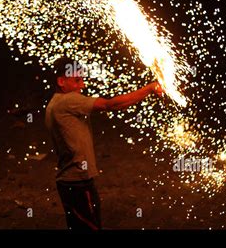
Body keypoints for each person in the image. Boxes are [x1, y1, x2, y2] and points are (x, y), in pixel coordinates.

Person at [45, 57, 164, 230]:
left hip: (69, 182)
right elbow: (111, 105)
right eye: (77, 80)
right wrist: (150, 88)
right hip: (78, 183)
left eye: (82, 79)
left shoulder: (54, 103)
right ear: (61, 81)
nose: (82, 85)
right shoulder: (67, 101)